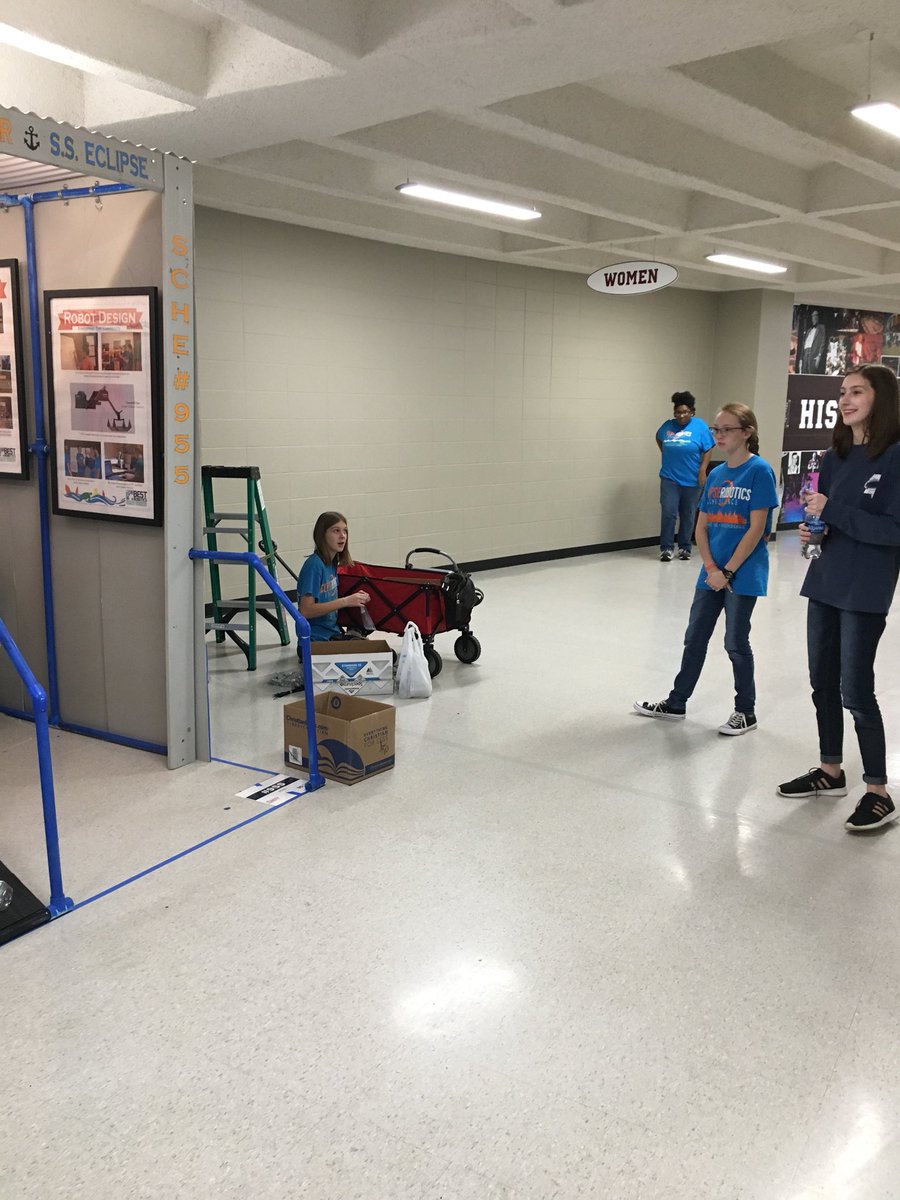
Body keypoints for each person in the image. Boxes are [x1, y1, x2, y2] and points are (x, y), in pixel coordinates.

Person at [778, 364, 900, 831]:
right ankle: (830, 770)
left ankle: (879, 792)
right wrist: (815, 529)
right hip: (825, 580)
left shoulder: (895, 457)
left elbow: (892, 531)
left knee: (857, 691)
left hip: (865, 588)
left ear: (881, 398)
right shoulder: (836, 455)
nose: (845, 400)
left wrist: (835, 512)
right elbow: (826, 520)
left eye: (856, 392)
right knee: (822, 683)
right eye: (842, 392)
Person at [635, 403, 779, 734]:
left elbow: (758, 529)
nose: (718, 435)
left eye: (727, 429)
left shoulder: (759, 471)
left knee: (735, 643)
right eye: (716, 429)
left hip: (743, 574)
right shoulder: (715, 474)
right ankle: (676, 702)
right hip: (711, 572)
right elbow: (701, 527)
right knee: (695, 637)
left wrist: (727, 572)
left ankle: (746, 711)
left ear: (747, 432)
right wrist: (712, 568)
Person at [296, 511, 370, 653]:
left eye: (345, 531)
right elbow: (305, 610)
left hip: (332, 633)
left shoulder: (331, 563)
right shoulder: (314, 565)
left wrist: (356, 599)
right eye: (336, 531)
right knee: (387, 655)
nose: (343, 536)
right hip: (315, 643)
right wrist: (346, 601)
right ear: (322, 535)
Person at [656, 391, 715, 562]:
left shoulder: (700, 426)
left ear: (692, 412)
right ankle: (666, 548)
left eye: (685, 412)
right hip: (669, 478)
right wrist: (667, 454)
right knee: (668, 512)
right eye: (678, 412)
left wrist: (702, 469)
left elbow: (708, 448)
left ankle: (684, 547)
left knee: (688, 514)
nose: (681, 416)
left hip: (692, 479)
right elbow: (659, 438)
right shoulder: (668, 426)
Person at [799, 310, 826, 374]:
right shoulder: (809, 330)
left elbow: (823, 341)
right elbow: (804, 343)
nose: (815, 317)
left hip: (813, 352)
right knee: (804, 371)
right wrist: (801, 358)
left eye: (816, 315)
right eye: (813, 316)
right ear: (811, 318)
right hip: (806, 352)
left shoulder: (821, 327)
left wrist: (819, 355)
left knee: (811, 372)